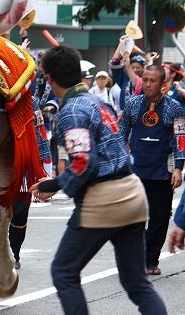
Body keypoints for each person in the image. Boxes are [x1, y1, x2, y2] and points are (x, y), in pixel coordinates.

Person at [30, 45, 166, 315]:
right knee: (136, 282)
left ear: (50, 79)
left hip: (105, 198)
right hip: (132, 192)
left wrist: (52, 184)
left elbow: (83, 163)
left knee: (64, 272)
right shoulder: (98, 102)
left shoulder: (71, 111)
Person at [119, 65, 184, 276]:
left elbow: (180, 140)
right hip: (135, 169)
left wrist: (179, 169)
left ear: (163, 84)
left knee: (160, 217)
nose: (147, 84)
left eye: (152, 80)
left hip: (162, 170)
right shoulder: (131, 104)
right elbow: (121, 134)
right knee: (132, 217)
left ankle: (151, 260)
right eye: (145, 79)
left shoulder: (175, 108)